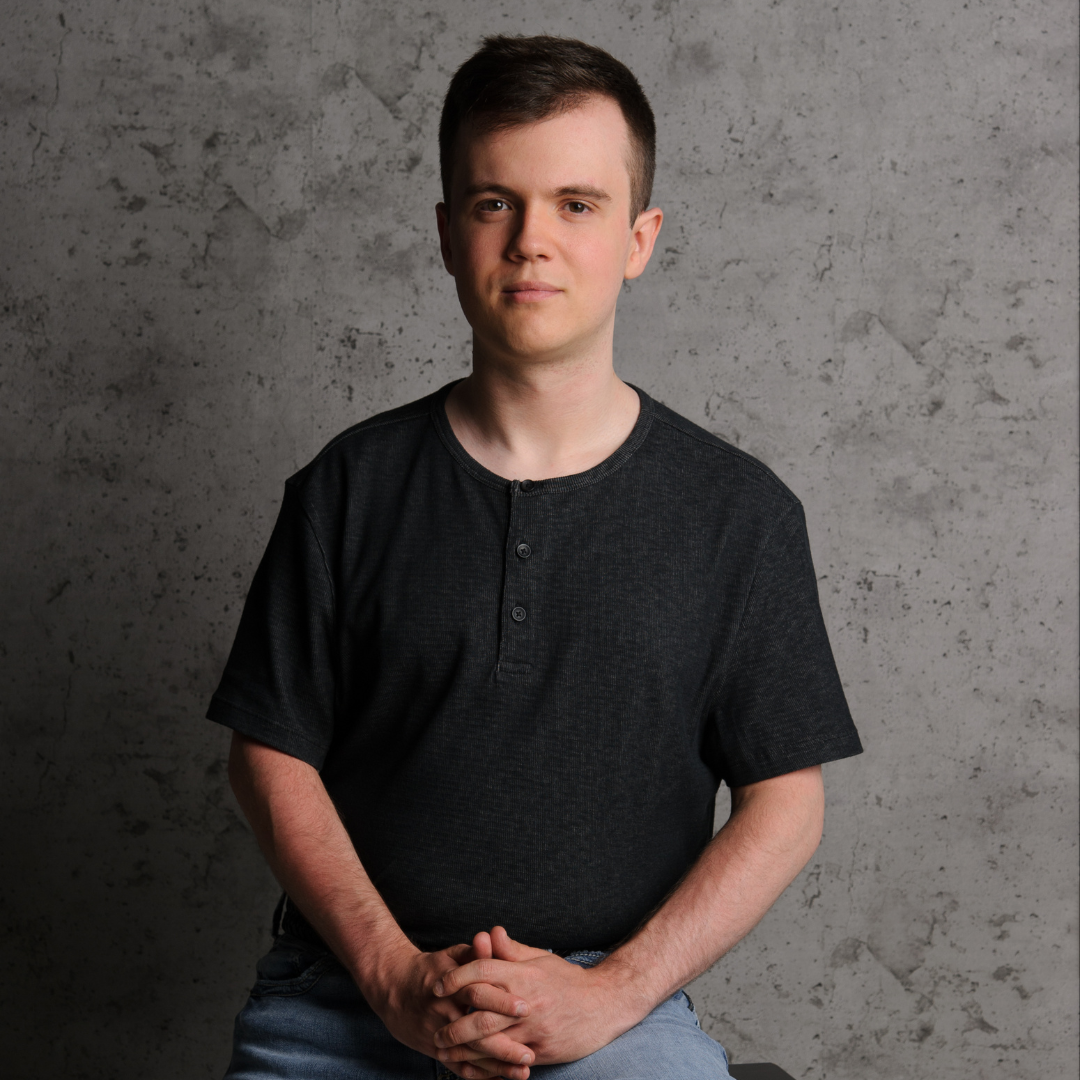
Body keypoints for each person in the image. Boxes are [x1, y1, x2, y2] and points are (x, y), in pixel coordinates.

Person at [208, 34, 862, 1080]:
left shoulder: (739, 514)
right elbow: (268, 754)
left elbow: (787, 803)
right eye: (492, 203)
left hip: (615, 1007)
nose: (531, 242)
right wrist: (389, 976)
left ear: (641, 238)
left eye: (577, 204)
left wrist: (611, 995)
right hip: (344, 997)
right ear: (445, 233)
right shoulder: (348, 488)